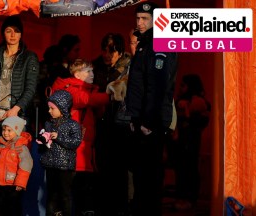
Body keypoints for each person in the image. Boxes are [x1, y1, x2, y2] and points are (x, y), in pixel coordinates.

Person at [125, 2, 178, 216]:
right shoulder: (145, 44)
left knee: (150, 178)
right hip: (140, 120)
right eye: (138, 18)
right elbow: (138, 86)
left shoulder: (159, 44)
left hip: (151, 123)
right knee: (140, 176)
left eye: (145, 19)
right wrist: (133, 117)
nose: (140, 22)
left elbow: (157, 87)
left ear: (156, 21)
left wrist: (147, 121)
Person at [0, 15, 39, 175]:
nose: (13, 35)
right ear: (3, 33)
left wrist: (16, 109)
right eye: (9, 31)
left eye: (17, 31)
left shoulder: (29, 58)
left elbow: (30, 88)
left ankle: (11, 200)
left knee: (14, 167)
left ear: (22, 34)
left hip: (16, 117)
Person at [51, 59, 110, 215]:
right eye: (88, 71)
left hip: (83, 148)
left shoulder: (88, 89)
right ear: (77, 74)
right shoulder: (69, 88)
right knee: (66, 192)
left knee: (81, 190)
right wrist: (110, 95)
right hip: (71, 149)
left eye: (92, 70)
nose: (93, 74)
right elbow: (84, 99)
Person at [92, 33, 132, 215]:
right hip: (101, 124)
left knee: (120, 169)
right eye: (104, 49)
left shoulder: (129, 67)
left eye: (112, 50)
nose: (107, 54)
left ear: (120, 51)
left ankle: (120, 208)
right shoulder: (96, 67)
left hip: (122, 125)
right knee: (102, 168)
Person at [37, 90, 82, 216]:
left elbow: (75, 142)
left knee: (65, 195)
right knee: (51, 194)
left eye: (52, 108)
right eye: (49, 108)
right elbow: (45, 143)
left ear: (62, 108)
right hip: (50, 164)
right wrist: (43, 142)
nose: (49, 111)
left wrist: (58, 137)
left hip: (65, 166)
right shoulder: (48, 123)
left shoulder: (73, 125)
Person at [0, 116, 33, 216]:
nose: (5, 133)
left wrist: (20, 182)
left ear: (17, 131)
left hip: (13, 185)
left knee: (12, 208)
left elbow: (26, 165)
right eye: (4, 129)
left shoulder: (21, 147)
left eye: (9, 130)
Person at [173, 74, 210, 210]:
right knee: (181, 169)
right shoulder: (180, 100)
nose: (181, 88)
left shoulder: (198, 102)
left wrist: (188, 113)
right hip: (181, 141)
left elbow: (202, 121)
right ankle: (181, 197)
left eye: (183, 85)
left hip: (191, 141)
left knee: (190, 168)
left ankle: (189, 198)